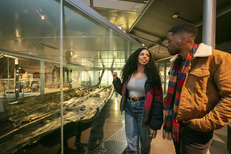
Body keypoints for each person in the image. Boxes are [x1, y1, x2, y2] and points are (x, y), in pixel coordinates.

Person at [162, 22, 231, 154]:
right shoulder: (177, 62)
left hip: (196, 129)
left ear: (183, 39)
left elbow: (229, 97)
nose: (166, 44)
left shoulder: (218, 59)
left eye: (169, 40)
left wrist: (202, 124)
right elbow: (181, 91)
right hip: (177, 125)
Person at [112, 48, 163, 154]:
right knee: (131, 146)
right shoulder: (129, 73)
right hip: (129, 108)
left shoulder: (152, 76)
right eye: (142, 54)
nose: (145, 56)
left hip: (144, 110)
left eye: (147, 55)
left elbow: (158, 101)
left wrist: (154, 126)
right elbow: (124, 92)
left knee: (145, 145)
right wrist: (116, 81)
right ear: (136, 57)